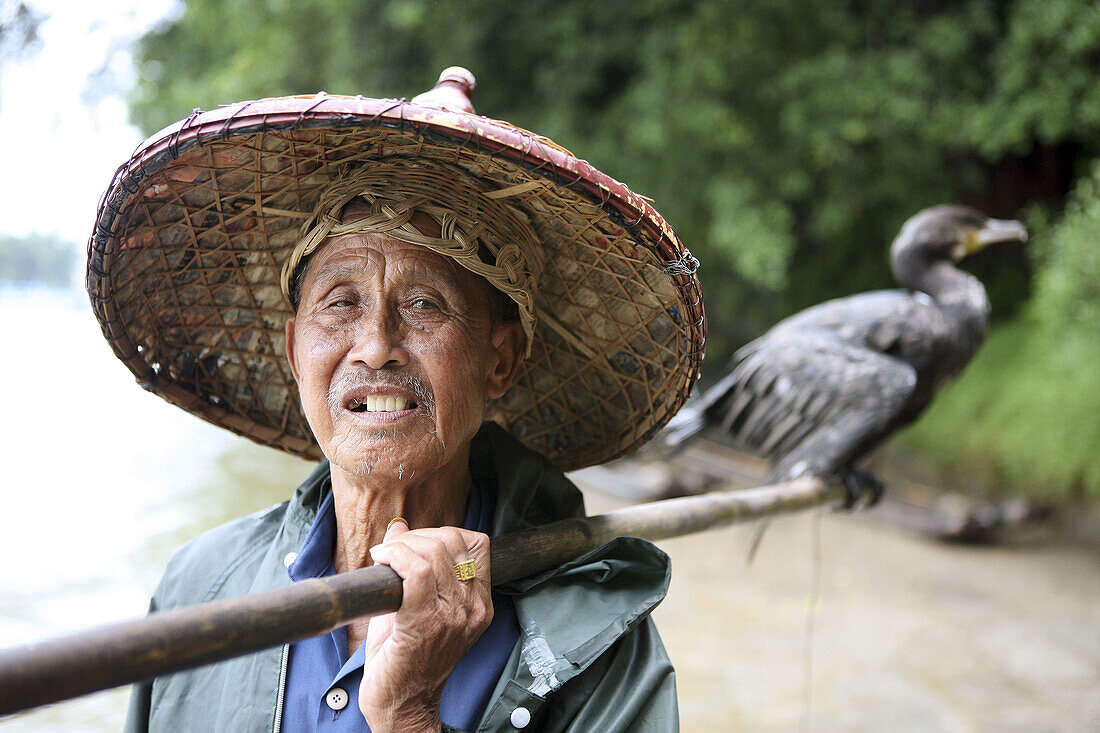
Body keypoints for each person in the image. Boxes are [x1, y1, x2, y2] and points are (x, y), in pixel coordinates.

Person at [89, 68, 704, 732]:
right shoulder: (201, 587)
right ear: (297, 351)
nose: (376, 345)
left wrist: (410, 713)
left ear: (499, 360)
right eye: (341, 302)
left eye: (423, 303)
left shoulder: (596, 639)